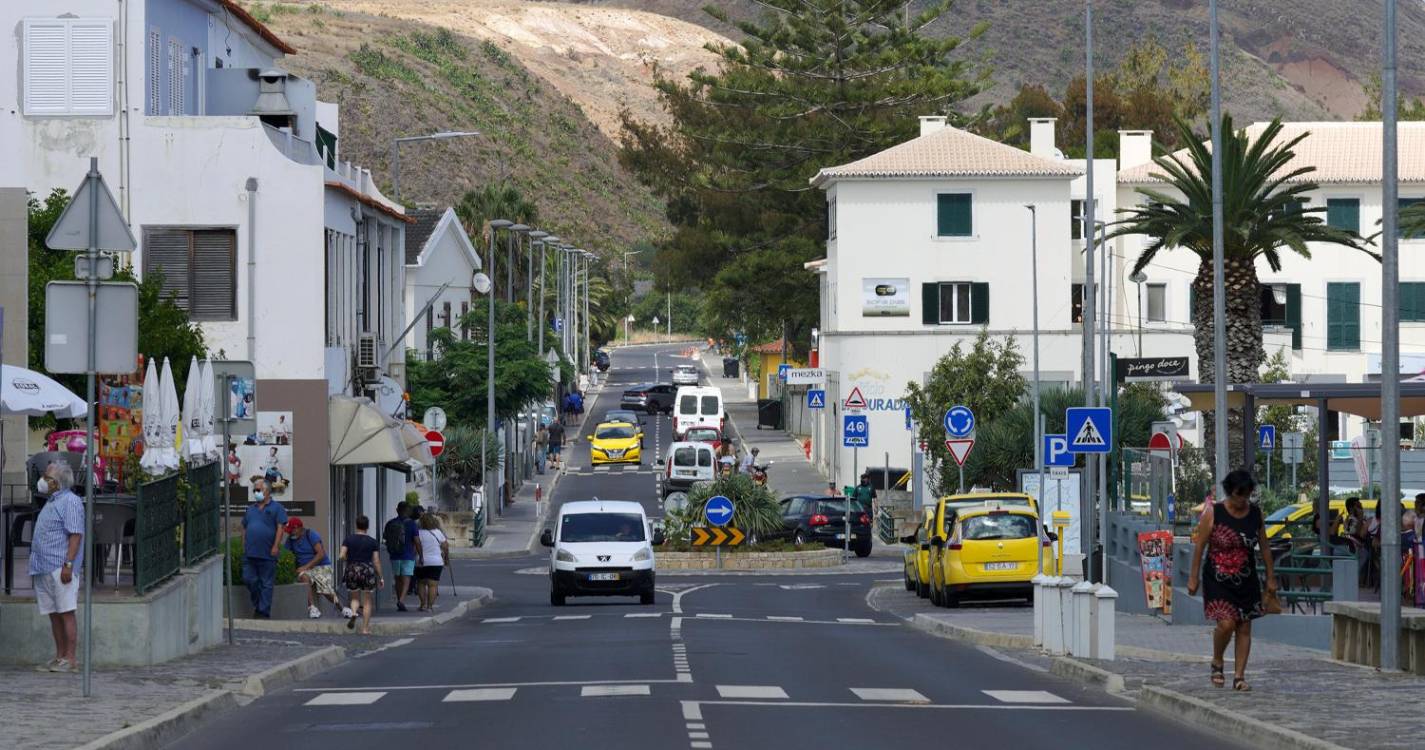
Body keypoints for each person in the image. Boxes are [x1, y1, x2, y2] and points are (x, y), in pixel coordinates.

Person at [1188, 469, 1276, 692]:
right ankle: (1217, 661)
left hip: (1246, 577)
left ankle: (1239, 676)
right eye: (1239, 494)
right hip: (1217, 577)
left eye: (1247, 494)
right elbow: (1200, 546)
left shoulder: (1255, 514)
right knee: (1226, 623)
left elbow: (1264, 547)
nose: (1243, 499)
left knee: (1244, 626)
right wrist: (1193, 577)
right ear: (1230, 492)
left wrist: (1271, 579)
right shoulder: (1214, 512)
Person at [29, 462, 84, 672]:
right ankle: (60, 656)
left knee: (66, 612)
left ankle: (70, 659)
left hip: (59, 566)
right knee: (54, 613)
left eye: (48, 477)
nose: (43, 481)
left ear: (58, 482)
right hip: (43, 566)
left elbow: (75, 535)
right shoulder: (52, 501)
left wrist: (68, 565)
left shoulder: (70, 501)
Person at [281, 518, 346, 619]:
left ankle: (342, 608)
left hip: (320, 566)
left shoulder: (311, 535)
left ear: (298, 528)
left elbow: (320, 554)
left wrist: (305, 567)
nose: (290, 534)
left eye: (291, 531)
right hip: (305, 569)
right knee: (304, 577)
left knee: (325, 590)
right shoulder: (290, 539)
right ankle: (312, 608)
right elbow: (286, 553)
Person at [241, 477, 286, 618]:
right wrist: (244, 544)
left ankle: (262, 612)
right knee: (249, 579)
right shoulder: (251, 509)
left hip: (268, 553)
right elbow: (244, 527)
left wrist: (275, 546)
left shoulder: (277, 508)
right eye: (254, 490)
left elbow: (280, 527)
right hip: (250, 553)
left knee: (267, 583)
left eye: (258, 490)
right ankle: (258, 604)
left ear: (266, 491)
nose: (255, 492)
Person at [340, 515, 384, 635]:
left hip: (352, 569)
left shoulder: (348, 539)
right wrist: (381, 577)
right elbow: (376, 560)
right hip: (367, 571)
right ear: (367, 527)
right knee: (367, 601)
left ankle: (354, 612)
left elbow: (341, 555)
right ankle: (365, 629)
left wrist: (348, 559)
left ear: (356, 525)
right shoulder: (372, 541)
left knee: (354, 597)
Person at [384, 501, 418, 611]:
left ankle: (399, 599)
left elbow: (386, 538)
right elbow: (417, 541)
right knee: (406, 579)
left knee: (398, 579)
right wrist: (420, 555)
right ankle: (401, 600)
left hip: (394, 555)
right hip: (407, 555)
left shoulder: (390, 523)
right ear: (408, 511)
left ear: (397, 510)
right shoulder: (412, 524)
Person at [414, 513, 449, 613]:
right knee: (433, 585)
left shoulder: (418, 533)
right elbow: (445, 546)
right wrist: (446, 558)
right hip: (436, 562)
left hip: (421, 561)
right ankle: (430, 607)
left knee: (421, 583)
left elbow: (414, 547)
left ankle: (422, 604)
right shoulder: (438, 532)